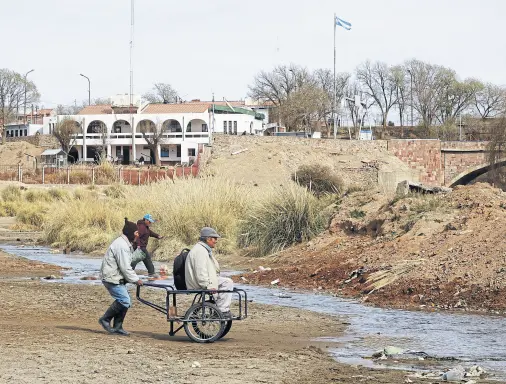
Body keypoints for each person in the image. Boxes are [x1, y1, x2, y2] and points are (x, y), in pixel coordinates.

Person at [99, 218, 143, 336]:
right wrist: (136, 280)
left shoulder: (124, 243)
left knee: (125, 301)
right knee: (125, 300)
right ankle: (105, 319)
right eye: (136, 233)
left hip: (115, 276)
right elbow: (125, 267)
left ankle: (118, 326)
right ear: (131, 233)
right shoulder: (121, 245)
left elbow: (127, 264)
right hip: (111, 277)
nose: (137, 235)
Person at [184, 227, 233, 318]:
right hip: (199, 283)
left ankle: (220, 308)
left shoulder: (203, 250)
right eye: (215, 238)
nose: (216, 241)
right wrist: (207, 286)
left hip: (204, 281)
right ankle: (222, 310)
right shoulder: (200, 251)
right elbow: (200, 272)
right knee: (227, 282)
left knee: (226, 281)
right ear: (208, 239)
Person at [131, 214, 163, 279]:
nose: (150, 223)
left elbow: (150, 232)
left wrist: (157, 236)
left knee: (139, 260)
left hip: (141, 247)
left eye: (151, 221)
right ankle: (151, 273)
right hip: (140, 247)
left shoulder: (145, 227)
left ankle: (129, 272)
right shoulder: (142, 227)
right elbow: (137, 236)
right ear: (145, 220)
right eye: (149, 221)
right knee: (138, 260)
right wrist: (138, 245)